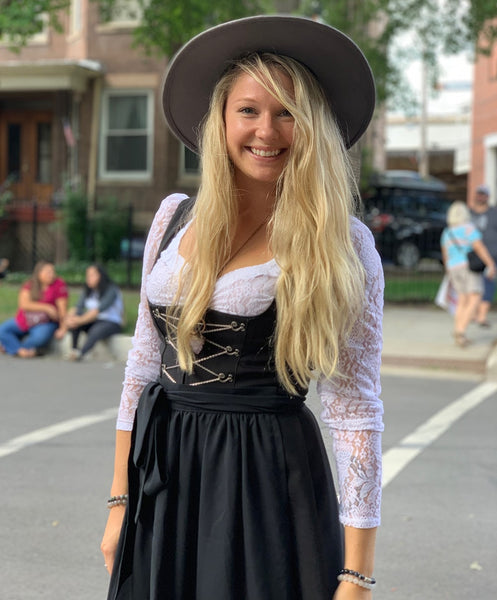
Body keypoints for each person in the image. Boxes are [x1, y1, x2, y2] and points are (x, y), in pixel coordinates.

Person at [101, 15, 384, 600]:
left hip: (264, 481)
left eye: (288, 112)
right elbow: (141, 368)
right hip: (165, 477)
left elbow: (354, 407)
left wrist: (356, 576)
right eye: (249, 110)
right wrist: (118, 501)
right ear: (220, 120)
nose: (268, 130)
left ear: (315, 126)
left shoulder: (342, 242)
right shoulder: (173, 217)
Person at [441, 201, 496, 347]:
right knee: (475, 296)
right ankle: (461, 331)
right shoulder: (469, 229)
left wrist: (449, 269)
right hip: (468, 267)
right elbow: (479, 247)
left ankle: (458, 329)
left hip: (453, 268)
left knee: (462, 300)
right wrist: (490, 264)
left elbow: (445, 254)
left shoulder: (447, 232)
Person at [0, 260, 68, 357]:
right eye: (48, 272)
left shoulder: (59, 284)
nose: (51, 274)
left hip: (45, 322)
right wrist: (47, 308)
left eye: (53, 271)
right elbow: (24, 304)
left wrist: (63, 328)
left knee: (40, 337)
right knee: (2, 330)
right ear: (39, 273)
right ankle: (19, 350)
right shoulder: (29, 284)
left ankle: (15, 348)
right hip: (25, 319)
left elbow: (62, 309)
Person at [64, 264, 124, 361]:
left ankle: (81, 353)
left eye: (92, 275)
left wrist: (78, 320)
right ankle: (74, 350)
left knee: (95, 330)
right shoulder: (88, 291)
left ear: (101, 276)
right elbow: (77, 307)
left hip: (111, 322)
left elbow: (97, 311)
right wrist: (69, 319)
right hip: (94, 320)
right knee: (76, 318)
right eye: (87, 276)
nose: (88, 278)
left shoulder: (111, 290)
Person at [469, 184, 497, 327]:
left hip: (491, 255)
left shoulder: (493, 213)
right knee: (472, 286)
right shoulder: (469, 213)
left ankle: (482, 316)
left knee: (488, 285)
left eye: (483, 194)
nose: (480, 197)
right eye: (479, 194)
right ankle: (472, 314)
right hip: (472, 257)